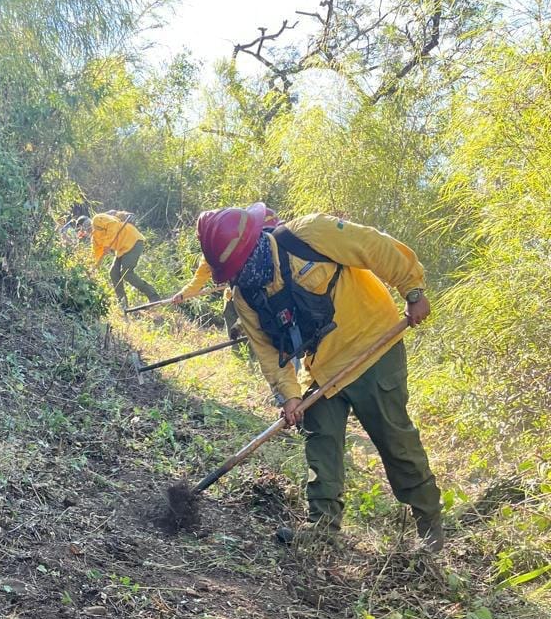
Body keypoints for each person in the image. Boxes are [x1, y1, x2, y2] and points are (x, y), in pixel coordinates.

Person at [193, 202, 443, 551]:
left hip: (372, 345)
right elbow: (268, 352)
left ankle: (429, 524)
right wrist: (290, 396)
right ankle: (323, 527)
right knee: (319, 435)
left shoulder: (309, 234)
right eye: (234, 273)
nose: (240, 276)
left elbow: (372, 245)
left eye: (242, 267)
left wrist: (412, 289)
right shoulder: (245, 295)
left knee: (394, 440)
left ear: (254, 244)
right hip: (323, 368)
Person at [170, 208, 280, 339]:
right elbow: (199, 279)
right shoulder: (213, 255)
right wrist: (183, 294)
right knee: (239, 337)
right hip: (236, 299)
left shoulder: (253, 240)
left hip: (267, 295)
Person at [90, 211, 160, 309]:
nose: (86, 228)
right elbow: (96, 255)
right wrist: (93, 268)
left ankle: (153, 296)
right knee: (113, 273)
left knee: (126, 273)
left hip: (133, 241)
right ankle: (123, 305)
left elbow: (113, 224)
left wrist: (106, 244)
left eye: (85, 225)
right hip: (121, 249)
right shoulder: (95, 239)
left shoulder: (98, 219)